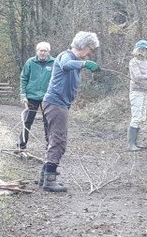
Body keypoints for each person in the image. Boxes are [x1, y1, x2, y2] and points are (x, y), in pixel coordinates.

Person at [39, 32, 101, 192]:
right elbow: (66, 65)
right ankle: (49, 180)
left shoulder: (76, 61)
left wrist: (83, 63)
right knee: (59, 141)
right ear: (83, 46)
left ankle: (44, 175)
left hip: (58, 104)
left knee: (53, 140)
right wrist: (85, 63)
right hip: (55, 103)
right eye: (90, 49)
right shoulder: (65, 56)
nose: (90, 53)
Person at [18, 42, 53, 151]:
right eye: (41, 50)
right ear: (37, 52)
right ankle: (21, 145)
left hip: (47, 97)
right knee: (27, 121)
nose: (43, 53)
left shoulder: (54, 63)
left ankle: (50, 146)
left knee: (48, 122)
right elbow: (23, 78)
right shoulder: (30, 62)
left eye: (45, 51)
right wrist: (23, 95)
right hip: (31, 96)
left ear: (48, 52)